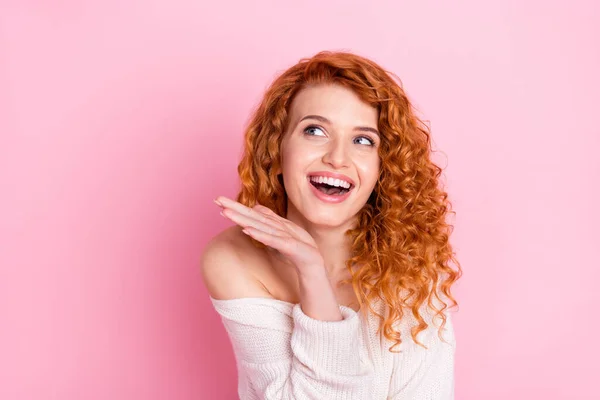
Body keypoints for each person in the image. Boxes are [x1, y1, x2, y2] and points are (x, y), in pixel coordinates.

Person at [200, 50, 462, 399]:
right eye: (315, 130)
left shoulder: (414, 263)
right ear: (276, 153)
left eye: (363, 140)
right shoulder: (233, 259)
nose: (338, 157)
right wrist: (312, 273)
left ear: (383, 169)